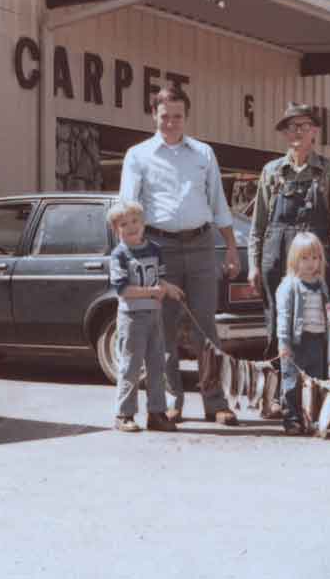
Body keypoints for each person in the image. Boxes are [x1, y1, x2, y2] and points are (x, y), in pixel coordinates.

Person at [119, 86, 241, 426]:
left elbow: (218, 203)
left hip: (202, 245)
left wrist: (231, 247)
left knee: (206, 328)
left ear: (185, 117)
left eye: (177, 116)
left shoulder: (204, 153)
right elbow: (127, 207)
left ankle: (215, 402)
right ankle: (172, 402)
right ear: (154, 116)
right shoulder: (137, 156)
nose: (171, 123)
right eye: (164, 117)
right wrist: (132, 255)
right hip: (158, 249)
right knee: (164, 330)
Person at [248, 103, 330, 418]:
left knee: (314, 328)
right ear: (284, 133)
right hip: (276, 255)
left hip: (316, 257)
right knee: (276, 329)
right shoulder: (271, 172)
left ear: (315, 130)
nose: (296, 132)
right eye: (290, 127)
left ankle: (316, 396)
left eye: (303, 126)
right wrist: (255, 264)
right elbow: (258, 225)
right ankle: (280, 397)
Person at [108, 200, 185, 433]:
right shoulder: (119, 255)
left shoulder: (154, 249)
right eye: (124, 224)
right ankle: (124, 414)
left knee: (156, 365)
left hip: (154, 315)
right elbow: (123, 290)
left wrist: (168, 287)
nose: (131, 227)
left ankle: (157, 413)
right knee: (131, 366)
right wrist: (152, 292)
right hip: (132, 318)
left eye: (135, 221)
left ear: (144, 223)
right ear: (116, 229)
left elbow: (157, 279)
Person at [276, 232, 330, 435]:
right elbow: (284, 316)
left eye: (315, 257)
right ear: (294, 259)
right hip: (296, 342)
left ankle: (312, 419)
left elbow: (327, 306)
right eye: (304, 258)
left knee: (315, 382)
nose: (311, 263)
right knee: (292, 381)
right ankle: (292, 419)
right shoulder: (289, 285)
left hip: (317, 340)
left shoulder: (320, 283)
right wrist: (283, 342)